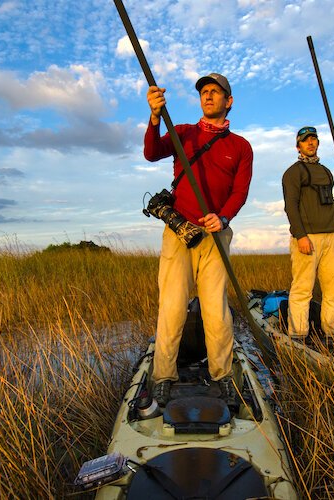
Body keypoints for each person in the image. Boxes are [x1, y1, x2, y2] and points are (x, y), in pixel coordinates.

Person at [144, 73, 253, 407]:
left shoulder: (241, 146)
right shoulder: (183, 133)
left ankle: (222, 376)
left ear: (228, 101)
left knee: (216, 309)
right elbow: (151, 153)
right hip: (179, 232)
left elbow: (240, 191)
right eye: (204, 92)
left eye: (215, 92)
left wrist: (223, 217)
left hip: (215, 235)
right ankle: (163, 376)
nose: (208, 96)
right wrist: (154, 118)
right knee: (173, 307)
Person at [282, 126, 334, 340]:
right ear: (298, 145)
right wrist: (301, 236)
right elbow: (291, 206)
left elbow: (329, 203)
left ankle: (331, 333)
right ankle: (298, 335)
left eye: (314, 139)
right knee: (303, 290)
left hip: (331, 237)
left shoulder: (326, 171)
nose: (310, 143)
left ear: (318, 143)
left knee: (332, 289)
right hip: (307, 238)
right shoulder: (293, 173)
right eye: (306, 140)